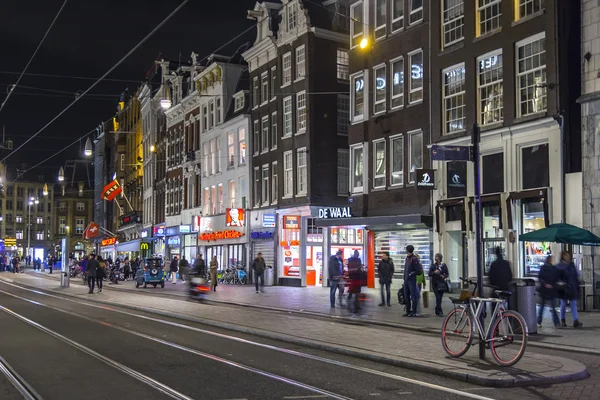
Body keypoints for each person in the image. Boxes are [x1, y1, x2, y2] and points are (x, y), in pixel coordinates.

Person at [556, 251, 583, 328]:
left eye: (568, 256)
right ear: (563, 256)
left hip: (572, 288)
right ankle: (563, 320)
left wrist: (577, 285)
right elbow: (557, 277)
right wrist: (561, 283)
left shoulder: (572, 265)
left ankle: (575, 321)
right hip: (564, 288)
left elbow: (576, 276)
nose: (568, 257)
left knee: (573, 304)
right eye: (566, 256)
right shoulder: (559, 266)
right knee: (563, 304)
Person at [537, 255, 561, 328]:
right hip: (551, 290)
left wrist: (545, 284)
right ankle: (556, 323)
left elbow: (540, 278)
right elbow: (556, 279)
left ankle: (539, 321)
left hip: (544, 290)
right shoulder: (554, 269)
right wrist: (551, 285)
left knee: (542, 307)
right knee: (553, 307)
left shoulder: (542, 268)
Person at [403, 245, 422, 317]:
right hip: (406, 280)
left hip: (411, 281)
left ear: (408, 250)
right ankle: (408, 311)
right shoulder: (407, 258)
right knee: (406, 296)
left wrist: (411, 274)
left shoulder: (414, 259)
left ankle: (414, 311)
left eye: (406, 249)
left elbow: (418, 271)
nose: (405, 250)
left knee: (413, 296)